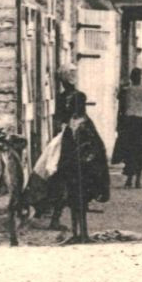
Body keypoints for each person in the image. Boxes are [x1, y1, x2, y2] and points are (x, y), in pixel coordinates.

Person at [57, 90, 111, 244]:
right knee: (73, 201)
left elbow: (96, 147)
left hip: (84, 169)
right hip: (72, 167)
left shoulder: (86, 124)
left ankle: (84, 233)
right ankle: (76, 233)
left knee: (82, 201)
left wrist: (87, 159)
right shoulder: (71, 123)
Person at [112, 68, 142, 188]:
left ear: (131, 78)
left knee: (129, 151)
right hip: (139, 123)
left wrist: (119, 124)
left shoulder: (125, 91)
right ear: (140, 78)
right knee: (139, 150)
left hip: (129, 123)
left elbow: (121, 110)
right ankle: (137, 180)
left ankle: (131, 178)